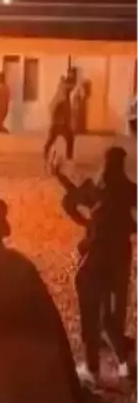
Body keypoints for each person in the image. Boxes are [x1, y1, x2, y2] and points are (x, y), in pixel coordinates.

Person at [57, 146, 138, 383]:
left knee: (92, 312)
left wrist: (86, 223)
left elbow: (68, 202)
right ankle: (123, 361)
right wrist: (127, 227)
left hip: (97, 256)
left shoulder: (97, 189)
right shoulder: (128, 190)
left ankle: (94, 367)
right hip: (119, 256)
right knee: (110, 315)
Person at [43, 75, 75, 168]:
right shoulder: (61, 95)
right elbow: (52, 107)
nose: (72, 88)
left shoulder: (65, 95)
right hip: (59, 123)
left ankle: (46, 152)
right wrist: (57, 118)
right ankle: (69, 158)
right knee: (69, 138)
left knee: (55, 138)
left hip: (61, 123)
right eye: (71, 86)